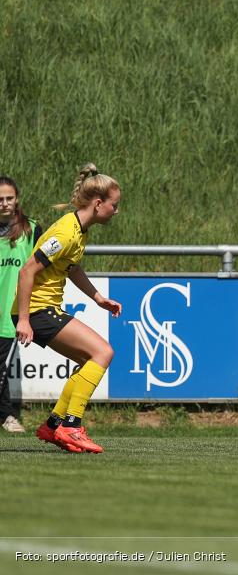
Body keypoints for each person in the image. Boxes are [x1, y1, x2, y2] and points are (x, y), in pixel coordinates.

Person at [16, 163, 122, 454]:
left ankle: (52, 427)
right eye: (115, 205)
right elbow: (27, 271)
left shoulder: (79, 230)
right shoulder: (65, 232)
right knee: (103, 352)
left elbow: (71, 267)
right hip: (37, 310)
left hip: (41, 309)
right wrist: (24, 320)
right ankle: (71, 427)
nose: (117, 211)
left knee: (90, 359)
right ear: (99, 203)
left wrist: (98, 297)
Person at [0, 175, 42, 433]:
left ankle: (7, 416)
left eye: (9, 198)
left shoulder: (31, 230)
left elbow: (44, 268)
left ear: (17, 200)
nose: (4, 203)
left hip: (10, 312)